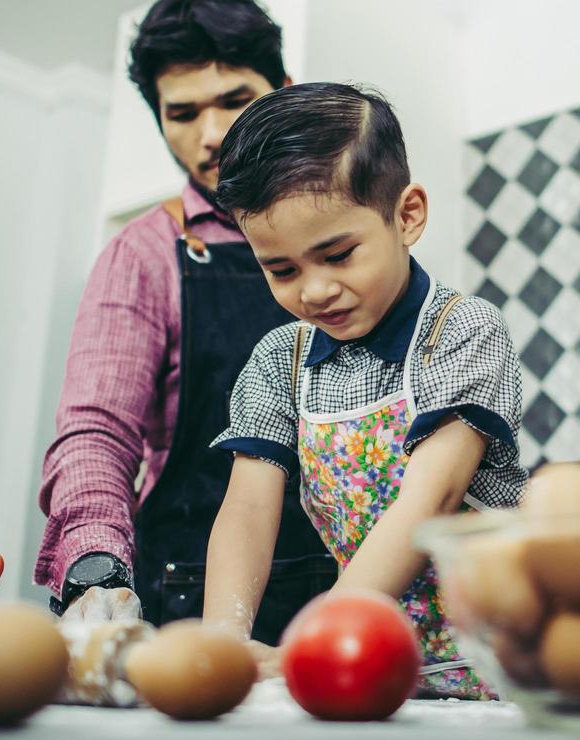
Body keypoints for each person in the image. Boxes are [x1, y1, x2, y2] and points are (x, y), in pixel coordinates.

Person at [201, 83, 526, 698]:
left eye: (339, 255)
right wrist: (224, 640)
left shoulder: (463, 330)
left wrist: (316, 638)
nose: (314, 291)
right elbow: (246, 507)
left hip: (502, 663)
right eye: (283, 269)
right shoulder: (279, 360)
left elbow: (432, 498)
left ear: (407, 216)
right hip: (378, 669)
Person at [35, 0, 335, 633]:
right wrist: (95, 569)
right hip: (190, 603)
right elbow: (94, 432)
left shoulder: (343, 231)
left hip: (347, 594)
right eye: (183, 112)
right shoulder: (143, 253)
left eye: (236, 101)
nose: (214, 135)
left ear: (282, 88)